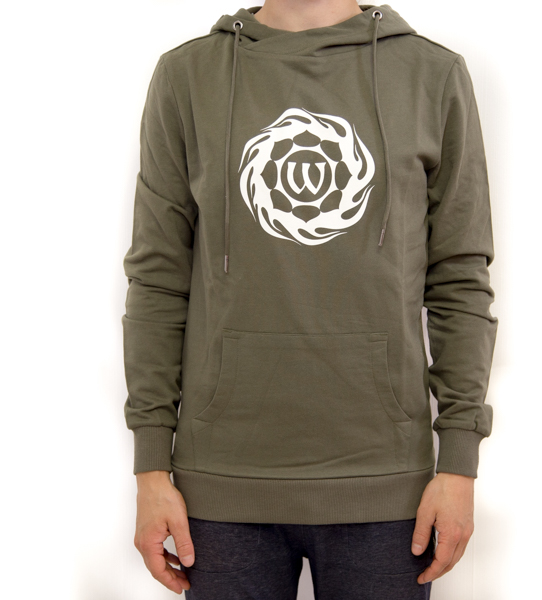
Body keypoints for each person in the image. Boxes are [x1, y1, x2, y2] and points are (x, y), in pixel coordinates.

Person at [121, 1, 499, 598]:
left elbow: (459, 279)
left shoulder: (432, 75)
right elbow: (158, 280)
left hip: (386, 488)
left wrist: (458, 462)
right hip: (219, 488)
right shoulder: (187, 76)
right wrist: (150, 467)